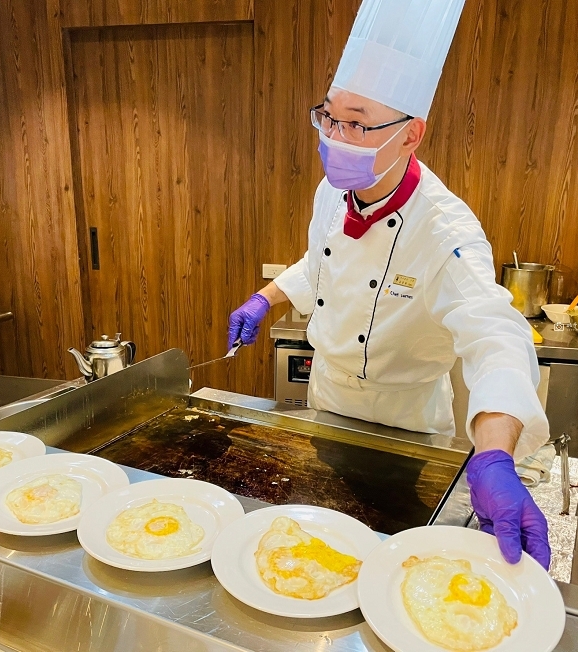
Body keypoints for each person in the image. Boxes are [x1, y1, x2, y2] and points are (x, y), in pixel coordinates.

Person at [228, 0, 551, 569]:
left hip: (407, 430)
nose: (335, 136)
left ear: (411, 135)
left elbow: (495, 335)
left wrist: (495, 456)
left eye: (356, 122)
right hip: (327, 403)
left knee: (394, 563)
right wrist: (267, 299)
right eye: (328, 117)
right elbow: (321, 262)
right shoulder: (333, 192)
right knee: (316, 554)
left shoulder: (446, 229)